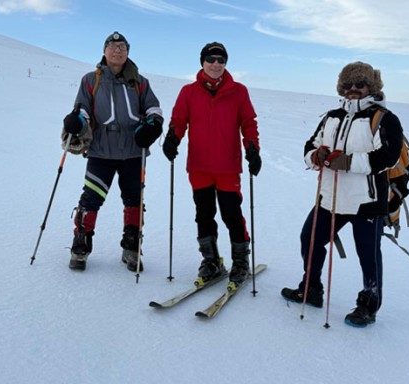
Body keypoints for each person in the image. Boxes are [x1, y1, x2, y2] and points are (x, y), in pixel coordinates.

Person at [281, 62, 403, 328]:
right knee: (309, 239)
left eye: (359, 84)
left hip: (367, 202)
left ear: (371, 86)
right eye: (347, 84)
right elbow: (310, 145)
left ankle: (368, 306)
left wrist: (348, 162)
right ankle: (311, 288)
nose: (352, 89)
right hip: (330, 198)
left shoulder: (384, 118)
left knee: (368, 256)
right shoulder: (331, 116)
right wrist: (315, 156)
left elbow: (389, 156)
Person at [161, 42, 261, 288]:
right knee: (204, 215)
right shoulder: (188, 92)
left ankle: (240, 262)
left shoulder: (238, 91)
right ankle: (211, 261)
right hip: (199, 167)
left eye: (221, 60)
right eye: (211, 59)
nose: (216, 64)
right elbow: (179, 120)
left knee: (232, 215)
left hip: (227, 167)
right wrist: (173, 138)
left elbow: (248, 122)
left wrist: (252, 149)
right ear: (202, 62)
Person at [62, 31, 164, 271]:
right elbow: (82, 109)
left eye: (122, 47)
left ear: (128, 52)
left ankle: (131, 247)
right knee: (91, 198)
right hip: (101, 150)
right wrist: (76, 121)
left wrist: (153, 125)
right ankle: (80, 246)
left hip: (133, 151)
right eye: (112, 46)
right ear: (104, 51)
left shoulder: (140, 81)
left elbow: (153, 108)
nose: (117, 50)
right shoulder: (91, 80)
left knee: (134, 200)